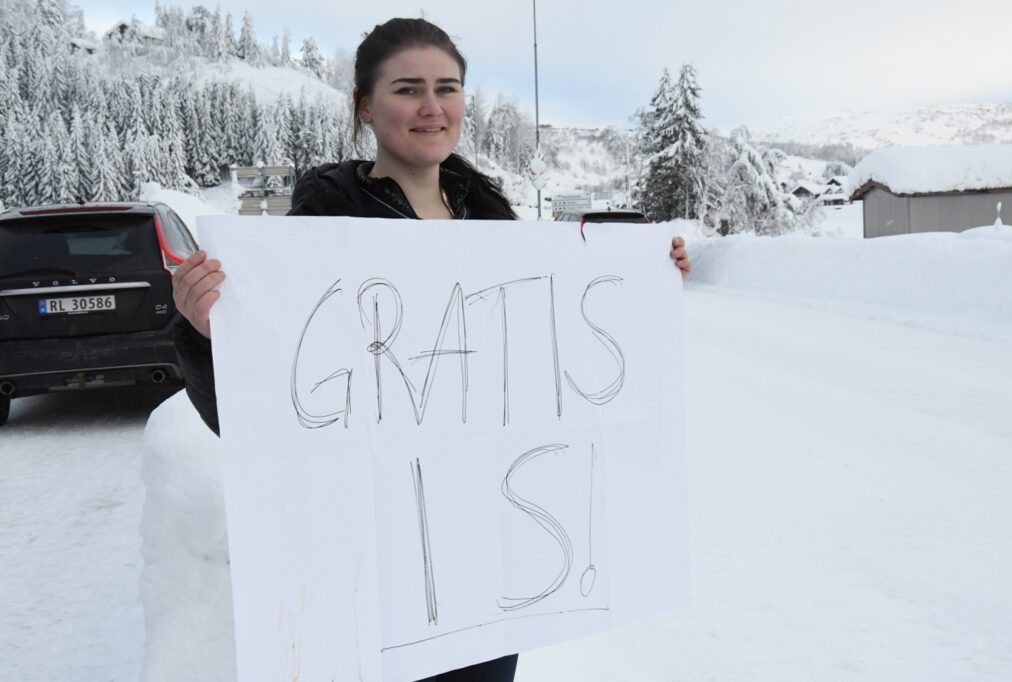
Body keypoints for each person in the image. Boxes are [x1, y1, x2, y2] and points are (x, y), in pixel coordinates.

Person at [172, 17, 691, 682]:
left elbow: (552, 375)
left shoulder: (495, 225)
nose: (431, 107)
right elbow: (257, 425)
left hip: (486, 559)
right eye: (407, 88)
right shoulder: (313, 233)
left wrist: (648, 276)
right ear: (365, 104)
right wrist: (206, 332)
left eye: (447, 88)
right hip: (372, 559)